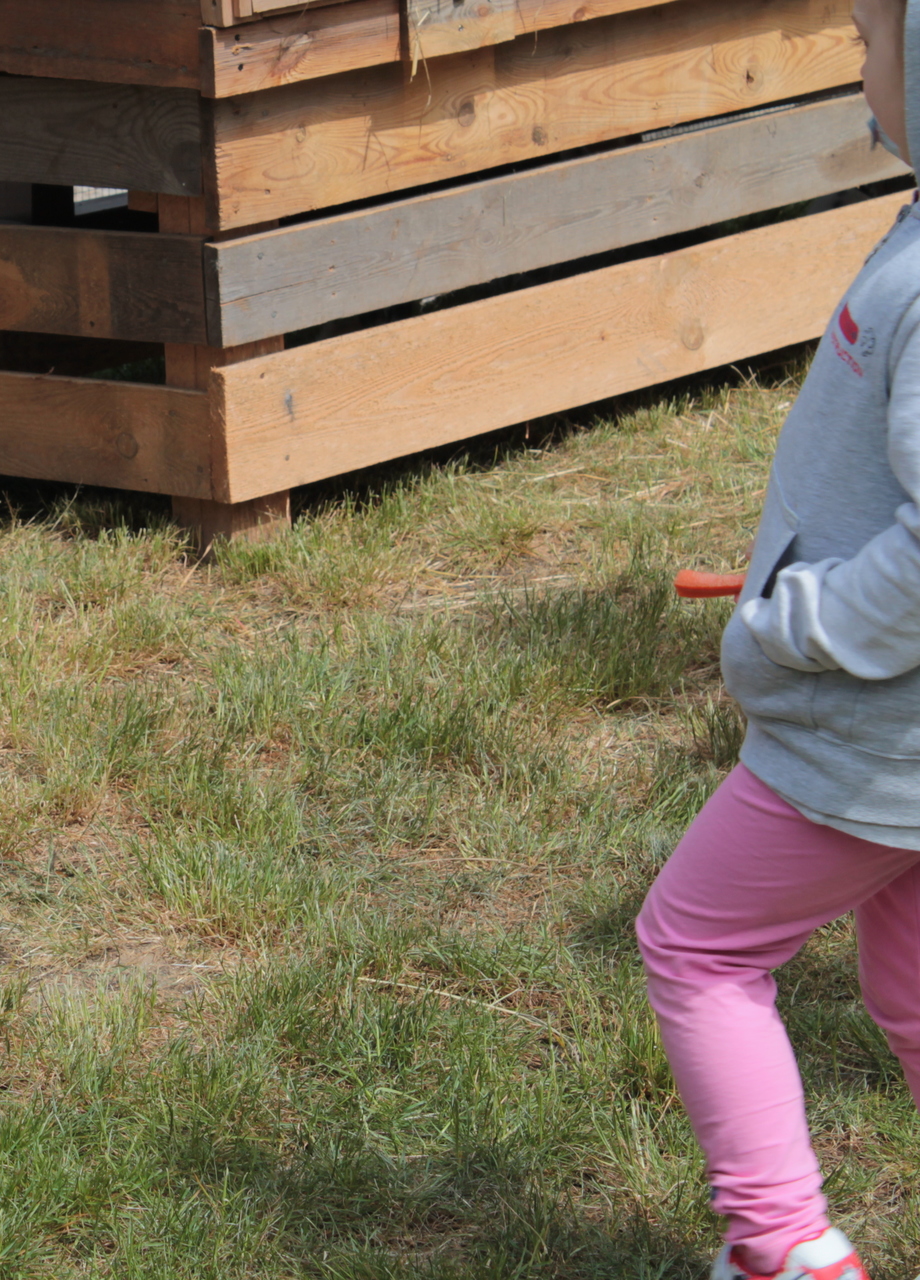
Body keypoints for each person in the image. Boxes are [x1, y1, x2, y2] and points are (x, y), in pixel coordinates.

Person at [636, 2, 920, 1276]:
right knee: (914, 999)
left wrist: (796, 625)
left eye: (874, 38)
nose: (858, 61)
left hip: (870, 736)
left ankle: (783, 1251)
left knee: (696, 942)